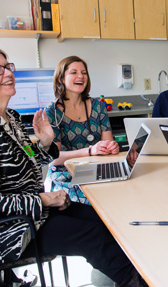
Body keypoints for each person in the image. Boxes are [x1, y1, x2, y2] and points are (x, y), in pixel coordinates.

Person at [0, 46, 146, 287]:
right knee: (92, 237)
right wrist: (44, 200)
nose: (8, 73)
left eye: (8, 67)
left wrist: (46, 144)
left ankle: (136, 274)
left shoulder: (12, 119)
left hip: (30, 213)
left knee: (103, 220)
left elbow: (28, 158)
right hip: (4, 232)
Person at [45, 56, 119, 205]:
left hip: (96, 170)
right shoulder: (52, 112)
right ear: (61, 78)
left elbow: (108, 142)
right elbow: (55, 158)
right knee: (96, 203)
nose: (80, 76)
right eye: (74, 72)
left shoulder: (98, 106)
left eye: (84, 72)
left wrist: (111, 146)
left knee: (121, 195)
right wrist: (90, 151)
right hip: (66, 176)